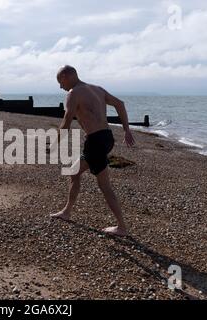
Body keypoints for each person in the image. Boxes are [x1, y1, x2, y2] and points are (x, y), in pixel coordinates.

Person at [50, 65, 135, 237]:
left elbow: (67, 121)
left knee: (104, 185)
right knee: (74, 172)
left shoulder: (73, 94)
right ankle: (67, 211)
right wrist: (127, 130)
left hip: (95, 141)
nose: (61, 86)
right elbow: (120, 104)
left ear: (66, 76)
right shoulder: (97, 89)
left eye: (60, 82)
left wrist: (54, 143)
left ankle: (122, 227)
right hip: (106, 138)